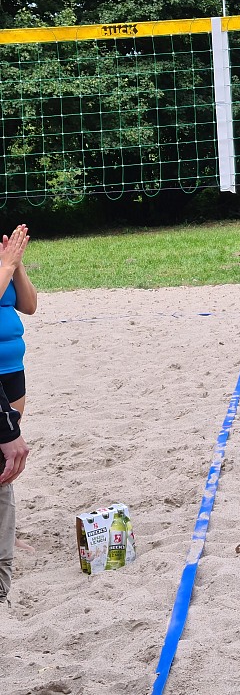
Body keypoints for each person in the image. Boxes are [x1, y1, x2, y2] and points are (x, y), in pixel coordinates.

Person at [0, 224, 37, 606]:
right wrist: (7, 266)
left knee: (7, 456)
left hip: (13, 371)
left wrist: (18, 265)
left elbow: (29, 305)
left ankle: (7, 533)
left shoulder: (6, 260)